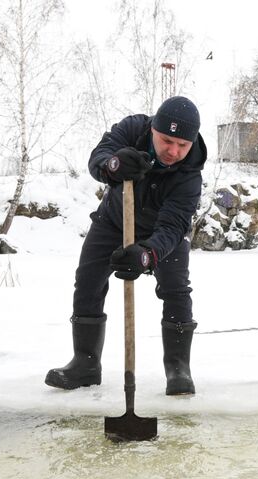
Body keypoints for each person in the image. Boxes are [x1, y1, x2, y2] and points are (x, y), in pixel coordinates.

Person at [46, 96, 208, 396]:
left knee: (175, 290)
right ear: (153, 131)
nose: (173, 151)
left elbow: (173, 227)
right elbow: (99, 157)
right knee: (88, 281)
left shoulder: (189, 175)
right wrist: (114, 164)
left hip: (162, 233)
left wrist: (147, 255)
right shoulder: (133, 129)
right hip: (113, 221)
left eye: (182, 145)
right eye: (166, 140)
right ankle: (85, 364)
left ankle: (178, 368)